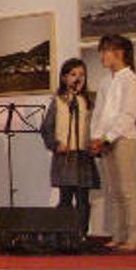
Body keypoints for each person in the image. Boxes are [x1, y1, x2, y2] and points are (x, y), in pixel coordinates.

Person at [89, 34, 136, 252]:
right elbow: (99, 113)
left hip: (123, 139)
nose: (102, 56)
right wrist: (96, 136)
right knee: (114, 191)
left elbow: (128, 114)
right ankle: (119, 235)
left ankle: (134, 237)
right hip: (105, 141)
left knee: (127, 190)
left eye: (105, 51)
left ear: (119, 53)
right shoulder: (105, 81)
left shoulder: (130, 79)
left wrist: (107, 137)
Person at [41, 57, 100, 240]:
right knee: (65, 198)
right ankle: (62, 234)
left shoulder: (88, 101)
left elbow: (97, 126)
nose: (78, 78)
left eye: (82, 74)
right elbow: (46, 128)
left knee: (83, 200)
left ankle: (81, 234)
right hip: (65, 157)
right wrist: (56, 144)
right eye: (73, 74)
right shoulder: (58, 101)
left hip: (83, 156)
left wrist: (95, 144)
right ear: (64, 78)